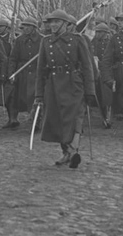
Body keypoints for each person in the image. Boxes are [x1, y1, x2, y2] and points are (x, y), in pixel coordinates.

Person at [34, 9, 95, 169]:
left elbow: (88, 67)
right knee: (56, 119)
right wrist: (39, 94)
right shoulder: (46, 42)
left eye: (57, 22)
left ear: (66, 24)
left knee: (74, 117)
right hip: (53, 85)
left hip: (73, 83)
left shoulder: (77, 40)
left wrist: (90, 91)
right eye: (51, 22)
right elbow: (40, 69)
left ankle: (73, 151)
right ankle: (67, 152)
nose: (53, 25)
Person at [7, 17, 41, 129]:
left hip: (37, 71)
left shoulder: (42, 40)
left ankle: (36, 120)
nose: (25, 28)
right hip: (22, 72)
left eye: (28, 26)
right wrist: (11, 73)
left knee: (36, 96)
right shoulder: (19, 40)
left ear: (34, 28)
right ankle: (14, 118)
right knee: (18, 96)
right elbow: (13, 58)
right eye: (24, 26)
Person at [92, 23, 113, 126]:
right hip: (96, 71)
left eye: (99, 32)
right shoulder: (94, 42)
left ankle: (108, 118)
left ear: (105, 33)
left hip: (109, 72)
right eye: (96, 32)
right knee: (99, 96)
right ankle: (104, 117)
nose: (97, 34)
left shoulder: (111, 42)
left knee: (107, 96)